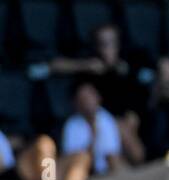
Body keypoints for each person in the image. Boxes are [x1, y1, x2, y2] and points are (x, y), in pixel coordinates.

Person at [50, 24, 148, 164]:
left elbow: (135, 106)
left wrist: (132, 117)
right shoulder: (87, 68)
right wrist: (84, 65)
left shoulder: (127, 71)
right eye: (102, 43)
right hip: (93, 122)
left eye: (111, 43)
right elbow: (53, 65)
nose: (107, 48)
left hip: (120, 128)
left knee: (132, 148)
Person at [59, 82, 125, 180]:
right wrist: (93, 136)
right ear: (76, 103)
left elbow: (113, 153)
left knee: (116, 160)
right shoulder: (71, 125)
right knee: (82, 159)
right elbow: (74, 159)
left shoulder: (106, 118)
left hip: (108, 171)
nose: (88, 101)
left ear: (98, 97)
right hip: (83, 174)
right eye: (83, 98)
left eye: (90, 96)